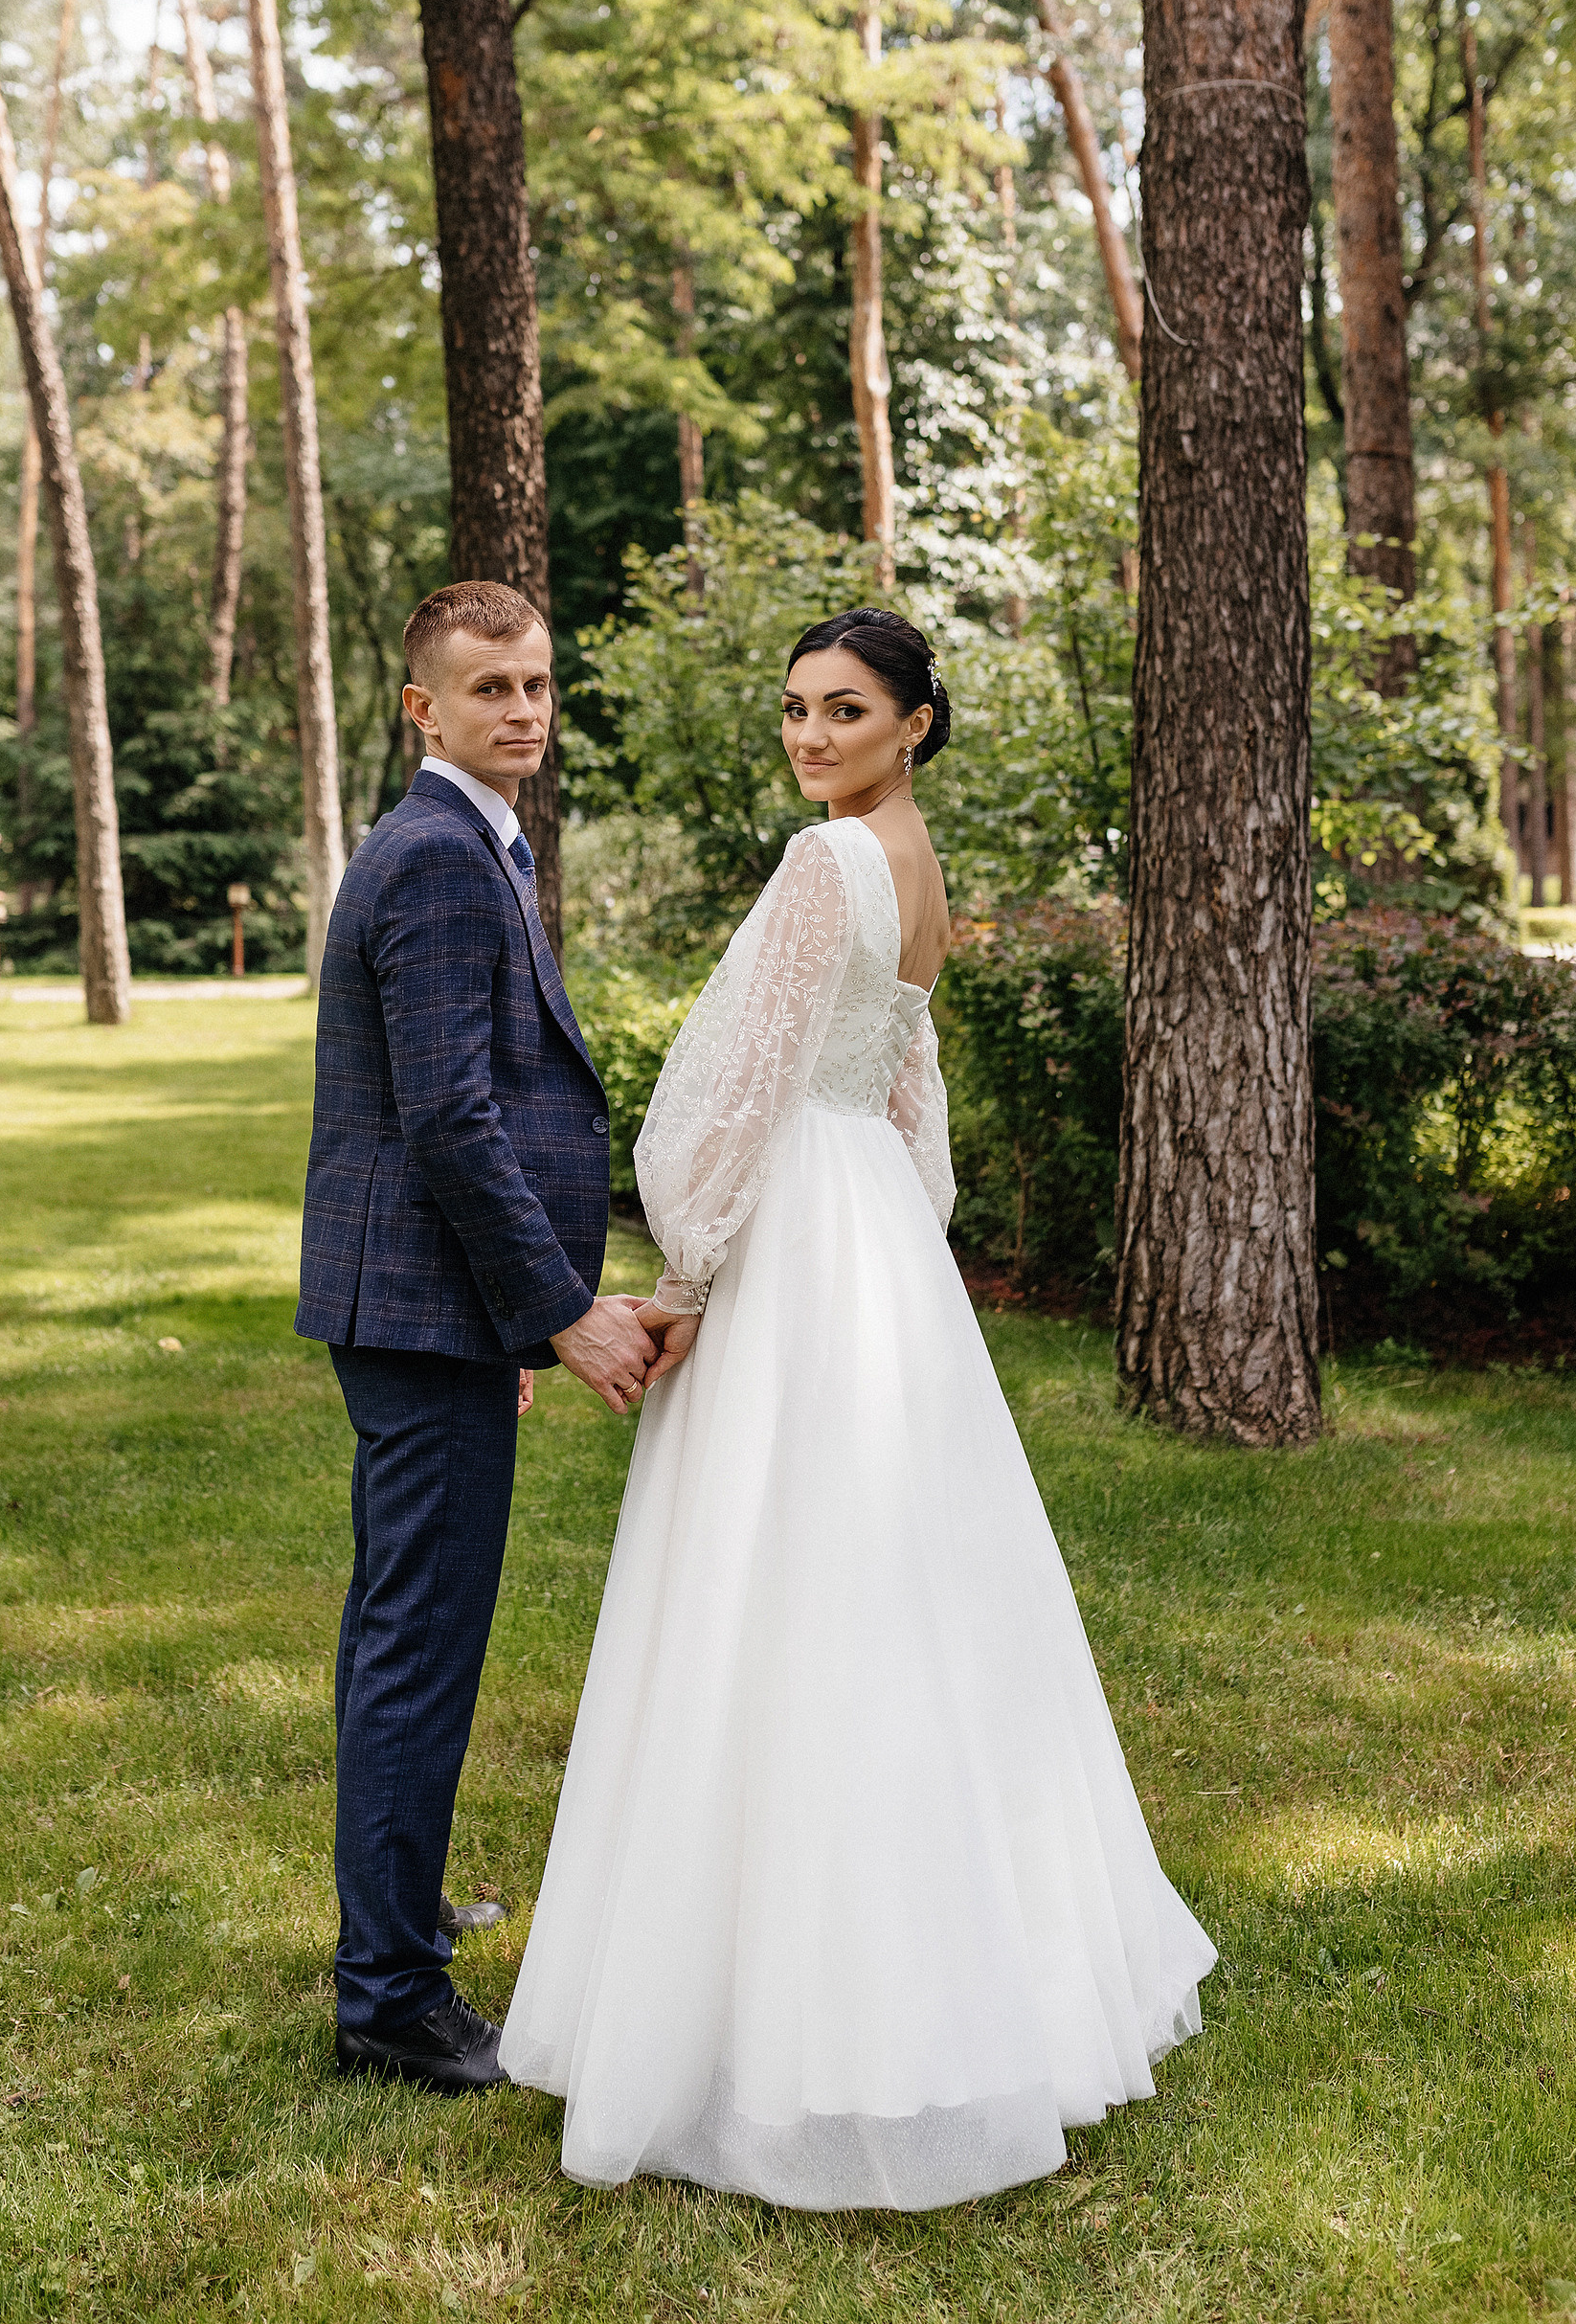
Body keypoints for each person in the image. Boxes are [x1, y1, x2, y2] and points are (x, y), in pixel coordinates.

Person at [501, 605, 1216, 2208]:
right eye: (797, 709)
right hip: (869, 1228)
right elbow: (907, 1083)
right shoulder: (910, 860)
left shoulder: (823, 866)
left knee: (786, 1593)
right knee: (905, 1595)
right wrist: (908, 1225)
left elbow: (733, 1080)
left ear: (915, 723)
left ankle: (780, 2021)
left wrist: (685, 1266)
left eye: (845, 711)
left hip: (797, 1236)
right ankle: (971, 1973)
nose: (811, 735)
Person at [296, 579, 686, 2095]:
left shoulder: (471, 842)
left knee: (402, 1635)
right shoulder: (447, 860)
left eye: (535, 683)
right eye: (489, 690)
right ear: (424, 711)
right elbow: (452, 1121)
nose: (522, 710)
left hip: (428, 1310)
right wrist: (559, 1316)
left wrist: (499, 1334)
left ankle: (395, 1923)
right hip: (427, 1305)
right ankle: (388, 2000)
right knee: (417, 1649)